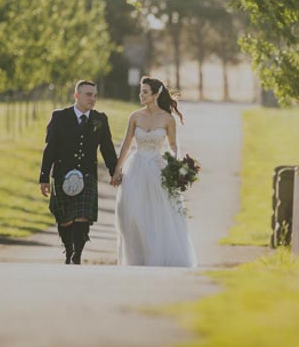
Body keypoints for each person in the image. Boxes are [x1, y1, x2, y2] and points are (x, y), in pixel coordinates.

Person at [111, 76, 197, 267]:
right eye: (141, 91)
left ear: (156, 94)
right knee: (132, 213)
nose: (141, 95)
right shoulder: (135, 116)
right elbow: (126, 144)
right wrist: (118, 170)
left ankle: (156, 254)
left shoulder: (167, 119)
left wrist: (176, 168)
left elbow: (174, 146)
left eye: (145, 92)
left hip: (158, 168)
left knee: (157, 213)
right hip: (136, 167)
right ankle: (136, 257)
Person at [39, 80, 118, 264]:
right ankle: (68, 250)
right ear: (77, 95)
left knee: (83, 216)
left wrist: (114, 172)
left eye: (95, 95)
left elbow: (106, 149)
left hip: (87, 175)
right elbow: (49, 149)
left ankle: (77, 255)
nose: (93, 99)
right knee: (65, 219)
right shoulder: (59, 117)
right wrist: (43, 177)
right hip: (61, 174)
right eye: (88, 94)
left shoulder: (100, 119)